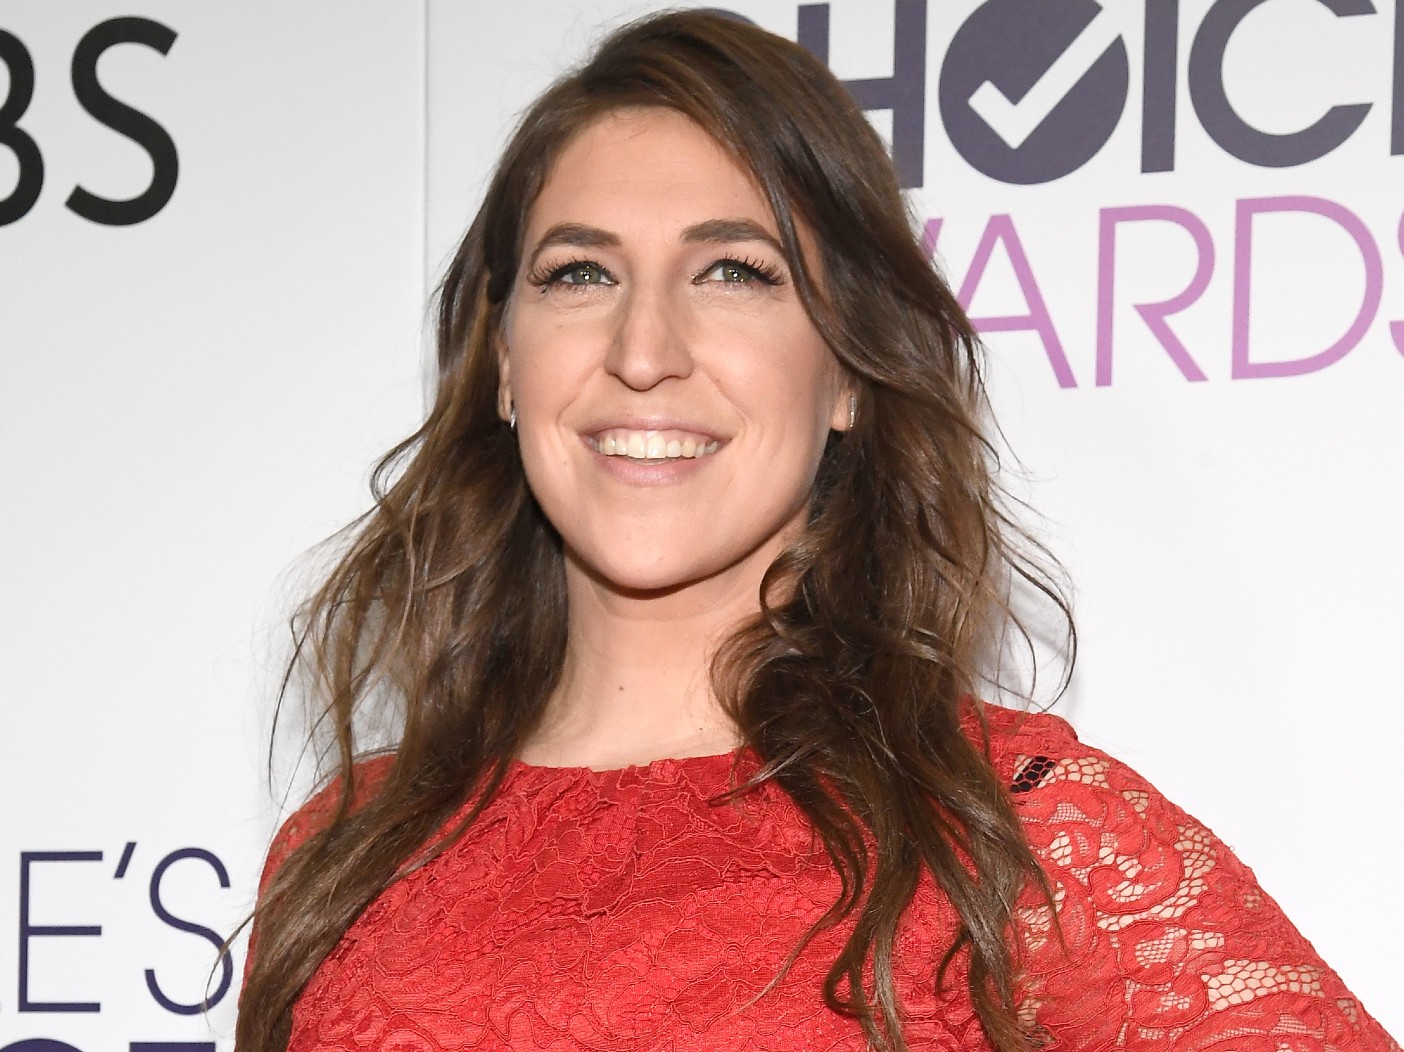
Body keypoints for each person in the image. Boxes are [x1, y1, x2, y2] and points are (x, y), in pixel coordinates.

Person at [236, 11, 1397, 1052]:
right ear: (501, 364)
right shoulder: (342, 857)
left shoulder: (1005, 828)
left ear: (847, 370)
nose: (645, 351)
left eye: (735, 271)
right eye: (580, 271)